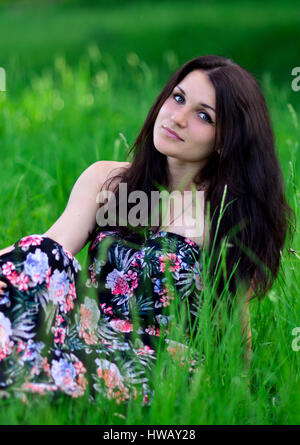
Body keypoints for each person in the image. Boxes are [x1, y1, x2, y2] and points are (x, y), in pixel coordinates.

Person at [0, 55, 295, 404]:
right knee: (42, 258)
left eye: (204, 115)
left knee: (47, 365)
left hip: (154, 362)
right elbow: (45, 254)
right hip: (80, 329)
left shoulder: (227, 212)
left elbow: (234, 322)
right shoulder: (108, 181)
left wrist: (240, 390)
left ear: (225, 139)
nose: (178, 117)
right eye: (178, 97)